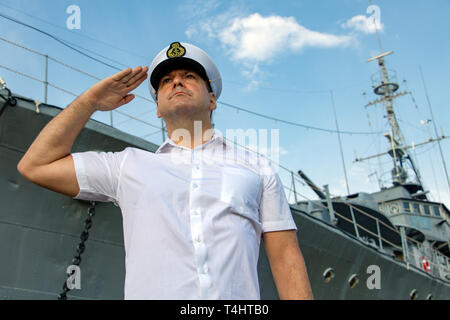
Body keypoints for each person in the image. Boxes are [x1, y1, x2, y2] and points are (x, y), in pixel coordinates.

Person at [17, 41, 313, 300]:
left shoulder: (257, 168)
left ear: (212, 99)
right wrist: (89, 102)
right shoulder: (127, 166)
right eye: (166, 80)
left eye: (189, 76)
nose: (177, 83)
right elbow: (36, 165)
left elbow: (286, 257)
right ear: (158, 107)